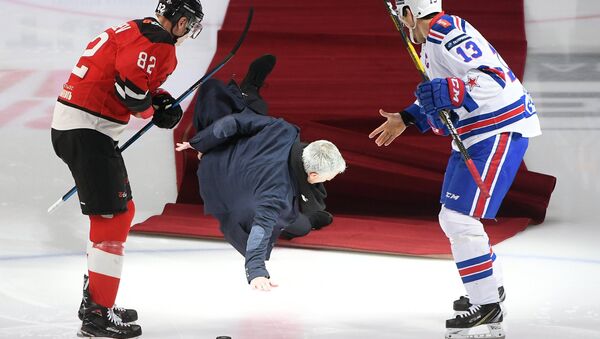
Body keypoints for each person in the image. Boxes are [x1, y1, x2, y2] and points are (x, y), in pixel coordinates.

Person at [369, 1, 541, 338]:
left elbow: (493, 81)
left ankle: (487, 302)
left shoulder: (446, 34)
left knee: (459, 219)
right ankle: (489, 289)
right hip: (477, 133)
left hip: (499, 130)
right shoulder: (434, 38)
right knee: (455, 216)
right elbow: (443, 90)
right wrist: (408, 117)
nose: (400, 24)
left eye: (398, 15)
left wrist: (454, 90)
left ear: (409, 14)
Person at [50, 1, 204, 337]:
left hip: (82, 129)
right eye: (190, 27)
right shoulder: (159, 43)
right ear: (180, 21)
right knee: (113, 216)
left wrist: (158, 98)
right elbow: (131, 92)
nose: (188, 35)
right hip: (87, 131)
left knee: (122, 210)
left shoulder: (137, 27)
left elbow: (130, 78)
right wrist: (154, 110)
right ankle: (96, 315)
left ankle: (98, 298)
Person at [175, 55, 346, 291]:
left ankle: (248, 90)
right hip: (224, 189)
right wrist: (256, 271)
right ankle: (312, 219)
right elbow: (260, 229)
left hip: (221, 156)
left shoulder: (284, 130)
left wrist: (198, 143)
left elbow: (231, 125)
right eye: (330, 176)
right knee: (294, 224)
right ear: (314, 175)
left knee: (249, 114)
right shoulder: (278, 196)